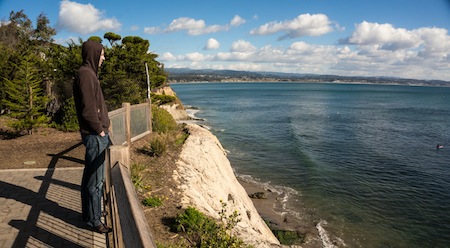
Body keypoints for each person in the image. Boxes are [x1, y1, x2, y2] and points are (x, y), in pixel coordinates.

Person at [73, 40, 111, 233]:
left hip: (95, 135)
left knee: (90, 177)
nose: (103, 58)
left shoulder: (88, 74)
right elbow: (88, 111)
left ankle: (90, 214)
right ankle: (95, 221)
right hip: (95, 136)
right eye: (102, 54)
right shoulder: (86, 75)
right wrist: (100, 130)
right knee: (95, 181)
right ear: (93, 54)